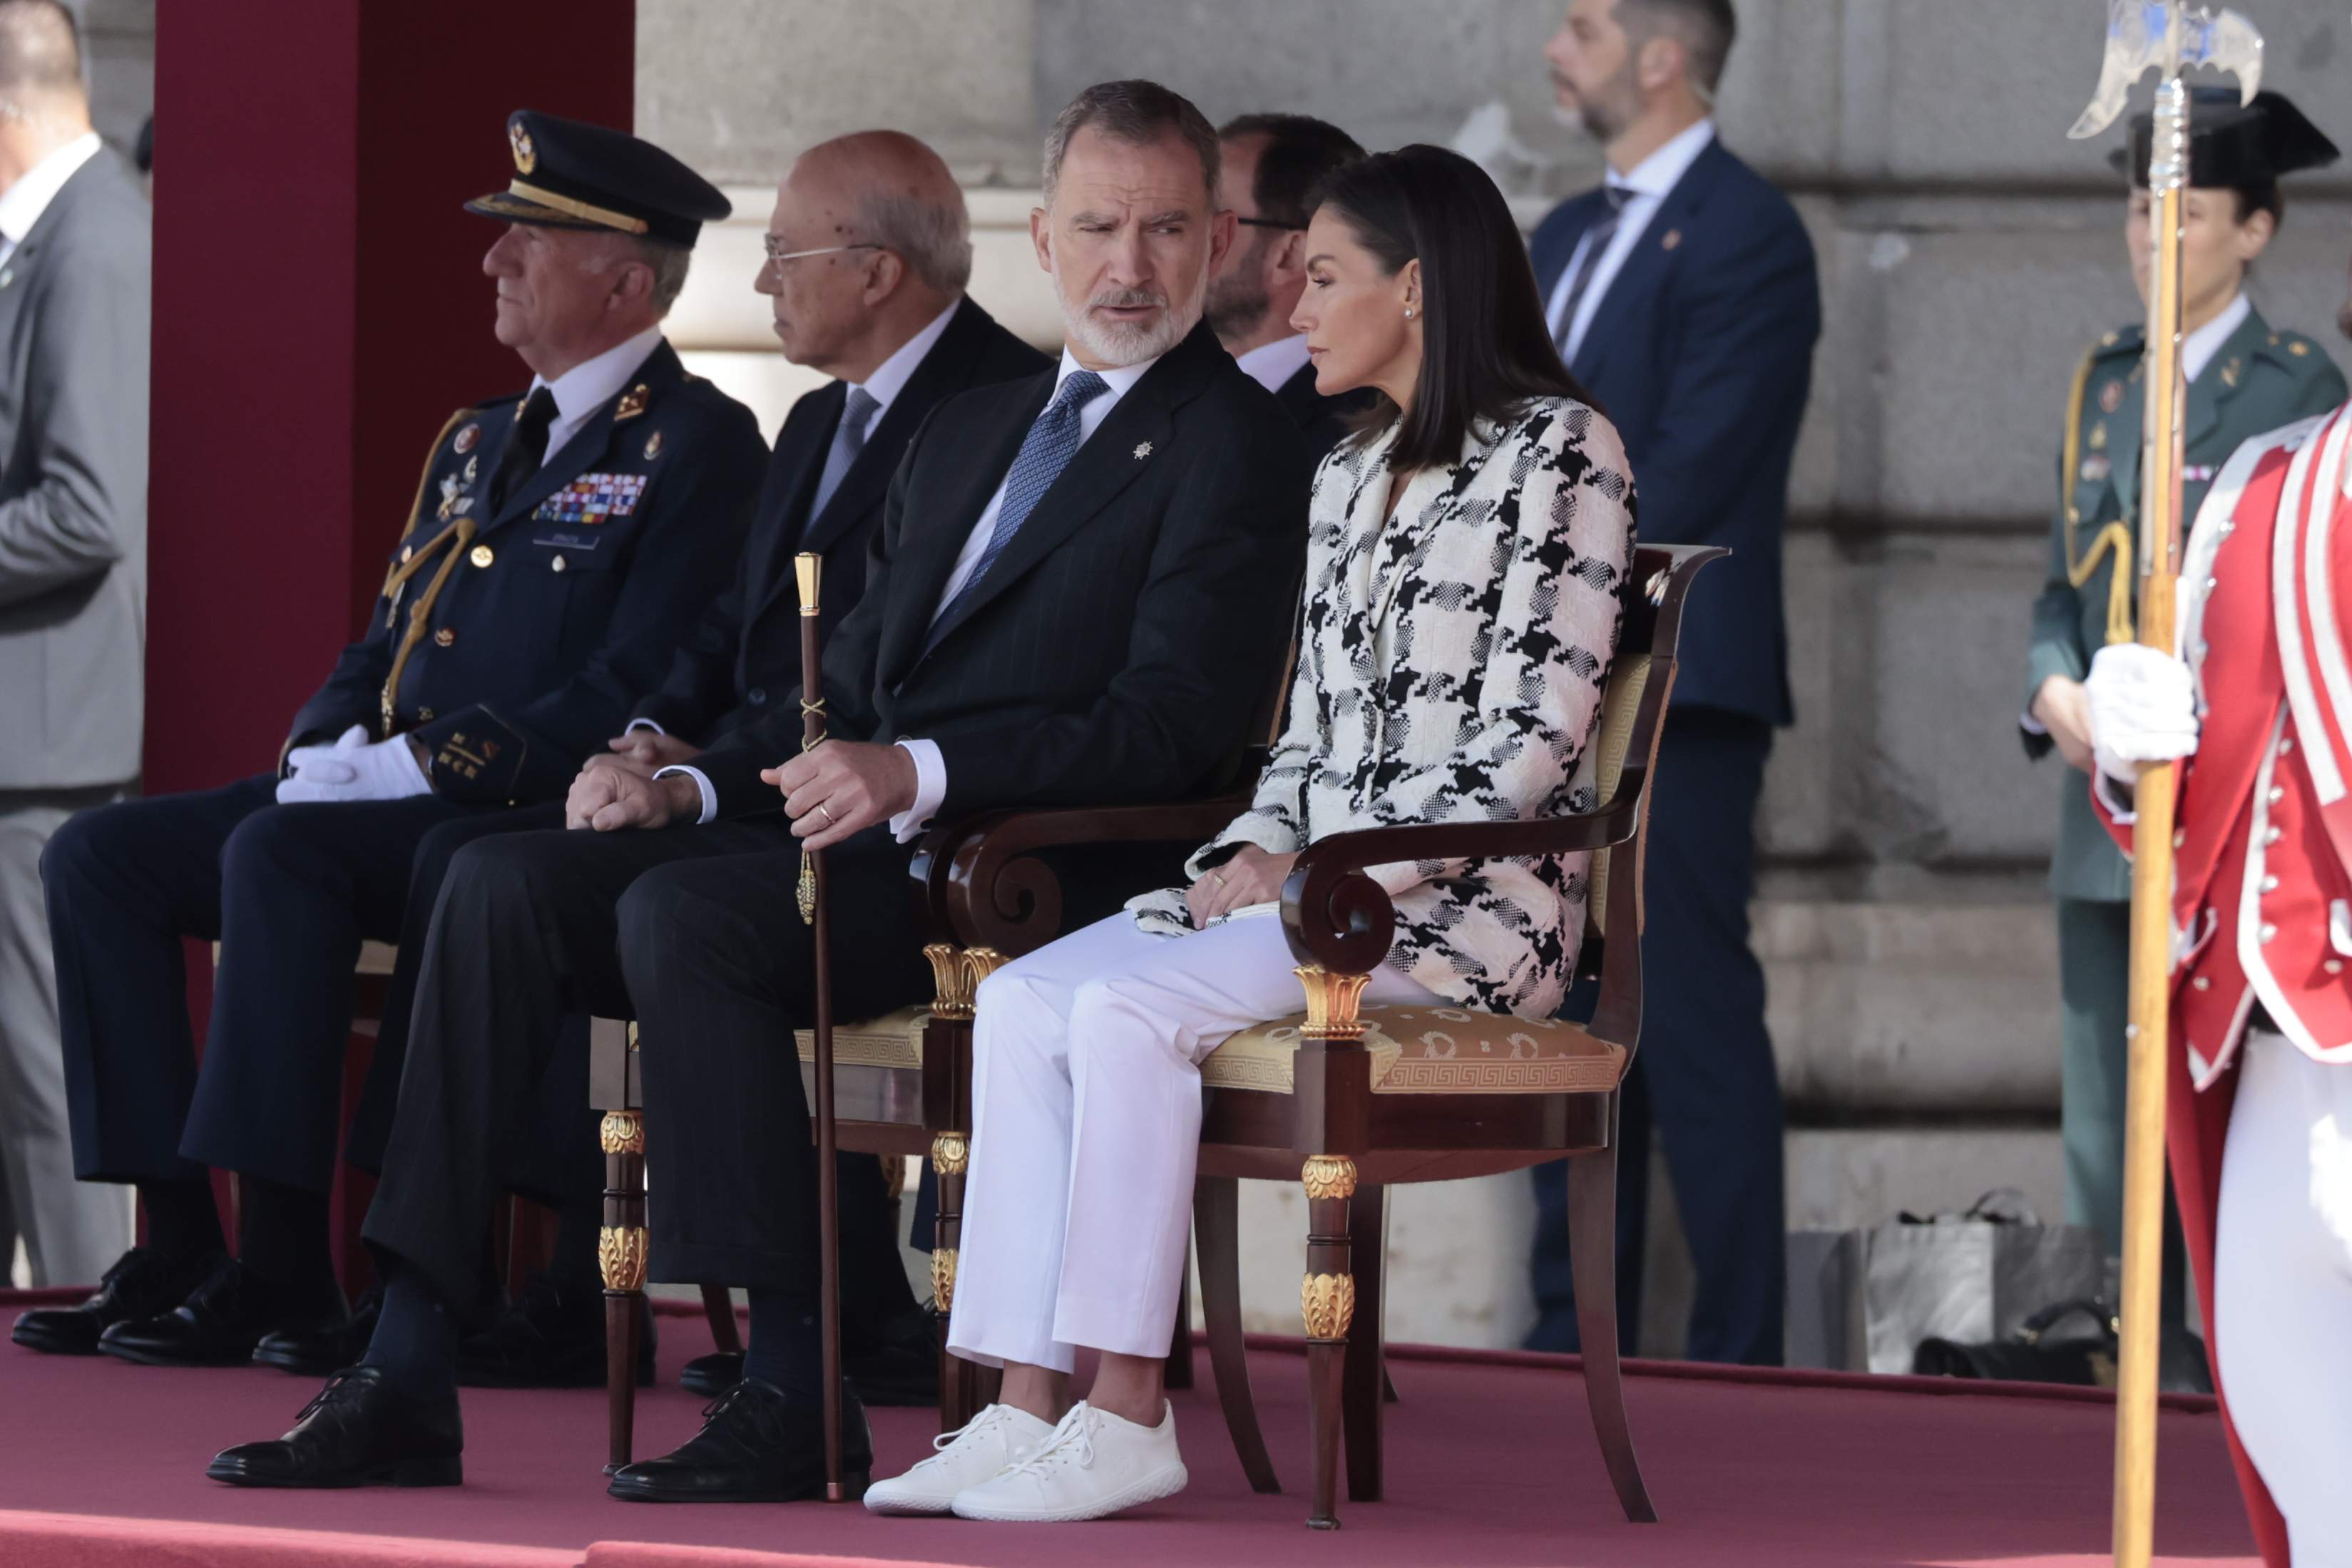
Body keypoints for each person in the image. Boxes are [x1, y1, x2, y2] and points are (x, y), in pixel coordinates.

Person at [205, 78, 1308, 1499]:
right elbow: (835, 683)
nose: (1130, 265)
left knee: (689, 921)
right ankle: (409, 1352)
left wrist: (913, 769)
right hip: (852, 845)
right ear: (1040, 237)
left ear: (1219, 242)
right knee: (489, 873)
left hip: (1025, 872)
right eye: (1099, 225)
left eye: (1165, 230)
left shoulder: (1237, 443)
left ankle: (796, 1381)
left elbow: (1173, 726)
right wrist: (684, 778)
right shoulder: (978, 425)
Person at [869, 142, 1638, 1525]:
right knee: (1028, 998)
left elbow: (1528, 748)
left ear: (1414, 287)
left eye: (1324, 277)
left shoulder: (1561, 448)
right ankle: (1018, 1403)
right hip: (1310, 898)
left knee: (1118, 1009)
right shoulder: (1342, 475)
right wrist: (1254, 850)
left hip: (1456, 922)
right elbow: (1305, 741)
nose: (1294, 310)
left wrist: (1329, 864)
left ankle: (1123, 1408)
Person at [13, 111, 767, 1370]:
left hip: (510, 804)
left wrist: (415, 768)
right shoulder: (475, 437)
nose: (494, 263)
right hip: (382, 784)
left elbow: (634, 684)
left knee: (279, 857)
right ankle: (182, 1236)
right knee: (102, 855)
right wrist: (325, 740)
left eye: (529, 241)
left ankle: (285, 1262)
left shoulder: (696, 445)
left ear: (626, 280)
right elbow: (385, 635)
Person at [304, 130, 1050, 1396]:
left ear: (873, 271)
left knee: (659, 904)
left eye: (783, 257)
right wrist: (645, 738)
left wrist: (690, 780)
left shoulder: (1000, 409)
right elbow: (728, 639)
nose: (763, 288)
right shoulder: (819, 416)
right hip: (764, 796)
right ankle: (413, 1332)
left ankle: (792, 1346)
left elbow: (868, 681)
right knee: (491, 874)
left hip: (889, 833)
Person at [2023, 88, 2344, 1390]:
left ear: (2253, 230)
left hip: (2225, 816)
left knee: (2214, 1096)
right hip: (2098, 791)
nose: (2155, 232)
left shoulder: (2298, 386)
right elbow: (2059, 587)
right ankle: (2125, 1357)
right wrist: (2055, 696)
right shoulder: (2103, 379)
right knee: (2101, 1114)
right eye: (2141, 205)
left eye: (2189, 210)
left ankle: (2226, 1354)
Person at [1524, 0, 1818, 1366]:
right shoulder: (1567, 234)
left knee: (1691, 1017)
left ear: (1662, 51)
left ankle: (1736, 1345)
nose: (1553, 49)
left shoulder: (1750, 231)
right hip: (1550, 693)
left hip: (1678, 686)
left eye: (1581, 24)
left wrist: (1547, 581)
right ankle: (1561, 1328)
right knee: (1564, 1008)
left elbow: (1696, 459)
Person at [2077, 236, 2352, 1568]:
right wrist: (2133, 748)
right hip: (2260, 1039)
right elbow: (2183, 801)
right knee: (2295, 1434)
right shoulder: (2258, 483)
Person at [0, 0, 146, 1291]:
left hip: (44, 740)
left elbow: (87, 508)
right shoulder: (50, 235)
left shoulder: (93, 240)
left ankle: (92, 1307)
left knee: (46, 1081)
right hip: (23, 732)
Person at [1205, 112, 1369, 461]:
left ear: (1294, 254)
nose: (1175, 237)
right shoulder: (1158, 390)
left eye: (1212, 218)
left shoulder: (1362, 436)